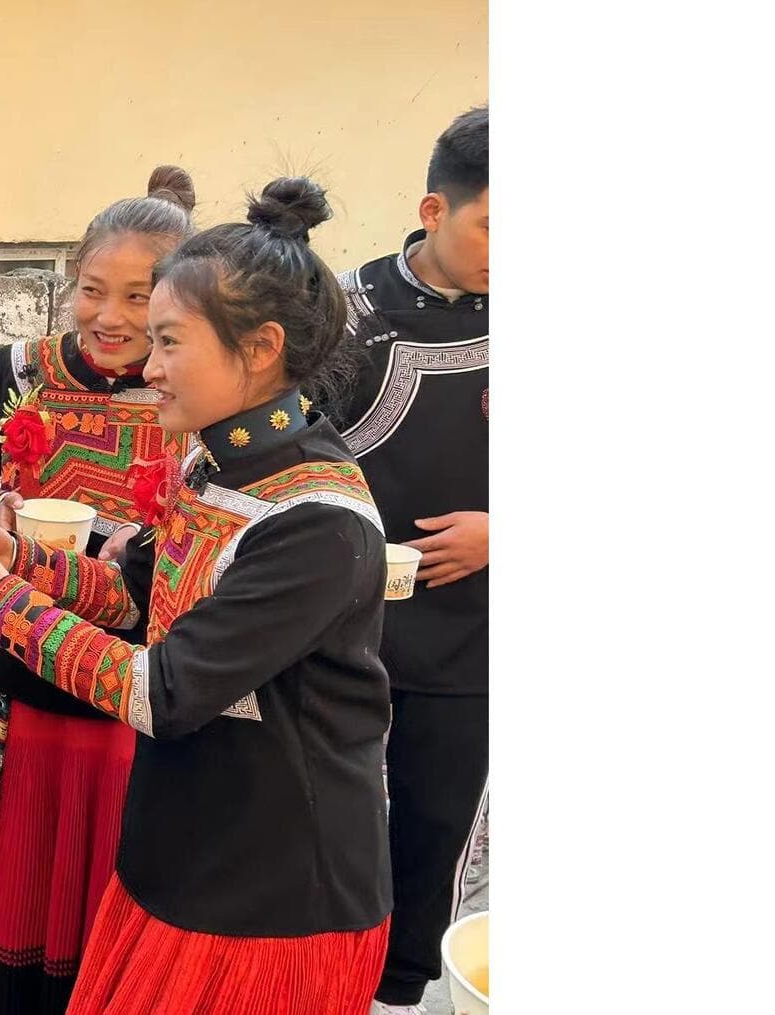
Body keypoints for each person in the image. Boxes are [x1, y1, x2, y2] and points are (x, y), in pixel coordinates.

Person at [0, 178, 393, 1014]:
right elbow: (131, 596)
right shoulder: (214, 465)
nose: (151, 363)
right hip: (180, 850)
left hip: (270, 891)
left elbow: (161, 691)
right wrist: (15, 555)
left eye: (169, 339)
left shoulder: (317, 520)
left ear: (262, 348)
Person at [0, 166, 198, 1014]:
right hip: (17, 674)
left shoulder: (188, 394)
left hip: (122, 695)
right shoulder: (22, 371)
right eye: (92, 290)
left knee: (99, 889)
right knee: (13, 879)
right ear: (67, 282)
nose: (111, 318)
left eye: (139, 297)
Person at [334, 106, 489, 1015]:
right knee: (323, 813)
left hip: (469, 634)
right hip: (341, 620)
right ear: (434, 208)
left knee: (434, 821)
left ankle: (396, 993)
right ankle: (316, 975)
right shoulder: (344, 313)